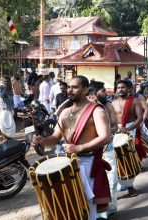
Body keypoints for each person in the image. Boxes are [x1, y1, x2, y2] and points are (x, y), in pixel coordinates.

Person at [32, 76, 111, 220]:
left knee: (86, 205)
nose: (70, 90)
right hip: (66, 162)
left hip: (87, 163)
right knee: (66, 204)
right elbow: (55, 138)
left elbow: (105, 137)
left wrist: (79, 147)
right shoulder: (65, 112)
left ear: (85, 89)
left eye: (74, 87)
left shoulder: (96, 110)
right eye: (69, 87)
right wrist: (42, 141)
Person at [89, 80, 119, 220]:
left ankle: (110, 209)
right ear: (94, 93)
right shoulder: (86, 106)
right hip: (90, 151)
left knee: (111, 179)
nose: (105, 93)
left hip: (108, 148)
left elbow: (114, 125)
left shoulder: (108, 106)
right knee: (94, 183)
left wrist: (109, 132)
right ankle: (97, 213)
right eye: (102, 91)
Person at [111, 80, 144, 197]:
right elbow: (109, 119)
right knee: (116, 159)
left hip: (130, 130)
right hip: (116, 131)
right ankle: (116, 184)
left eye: (123, 87)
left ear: (128, 89)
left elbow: (139, 118)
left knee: (128, 158)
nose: (120, 89)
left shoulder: (135, 101)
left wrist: (128, 129)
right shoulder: (112, 103)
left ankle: (130, 186)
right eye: (118, 87)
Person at [0, 76, 16, 141]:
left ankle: (9, 139)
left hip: (10, 109)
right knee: (4, 126)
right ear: (3, 82)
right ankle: (4, 139)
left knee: (11, 126)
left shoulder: (10, 88)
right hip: (4, 109)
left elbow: (11, 99)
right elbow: (2, 96)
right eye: (5, 81)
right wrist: (6, 88)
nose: (7, 83)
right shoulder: (0, 88)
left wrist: (13, 108)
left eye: (8, 81)